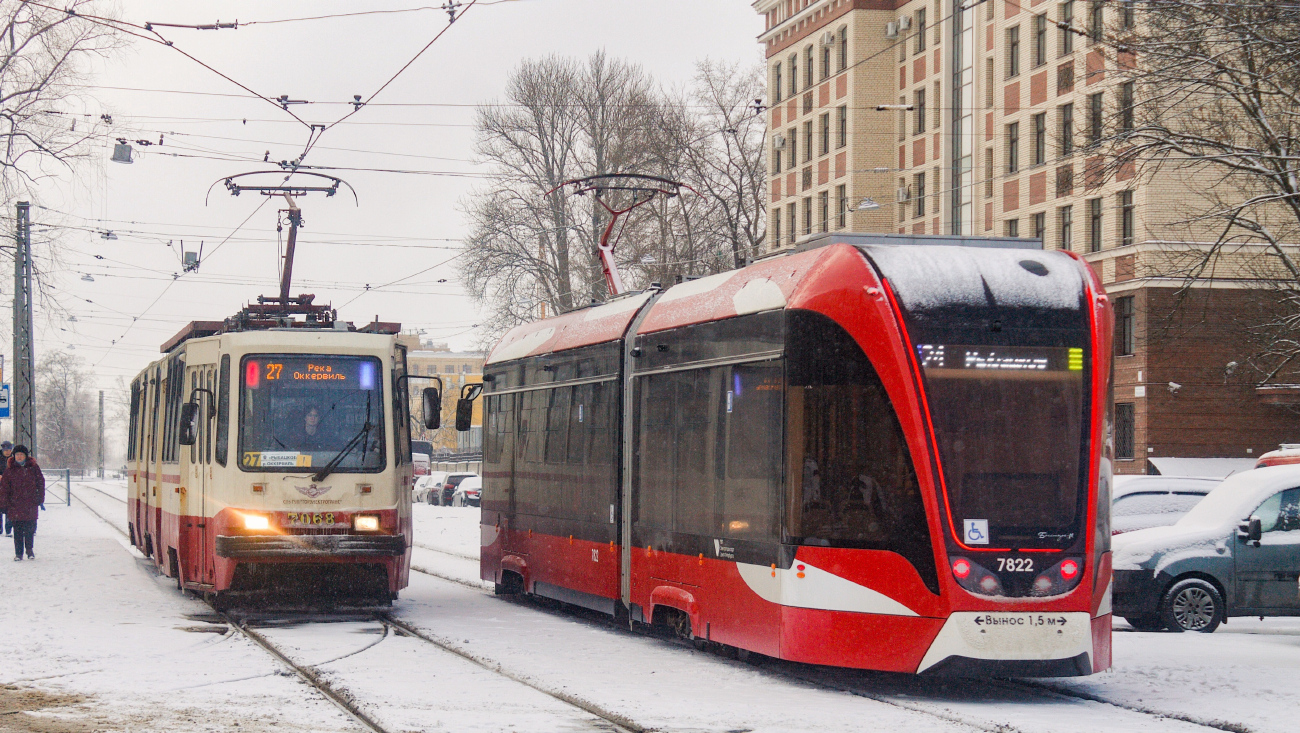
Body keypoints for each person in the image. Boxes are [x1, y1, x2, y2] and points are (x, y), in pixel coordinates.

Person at [0, 445, 44, 560]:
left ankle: (29, 551)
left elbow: (41, 482)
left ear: (26, 456)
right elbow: (4, 488)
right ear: (14, 456)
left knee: (30, 529)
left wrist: (40, 498)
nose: (19, 457)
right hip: (15, 504)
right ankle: (18, 553)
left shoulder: (33, 468)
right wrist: (3, 504)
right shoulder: (9, 470)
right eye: (17, 455)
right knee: (18, 530)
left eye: (21, 455)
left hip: (30, 503)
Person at [0, 441, 11, 536]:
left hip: (10, 487)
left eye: (9, 450)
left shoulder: (14, 459)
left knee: (9, 508)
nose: (8, 452)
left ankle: (8, 529)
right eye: (6, 450)